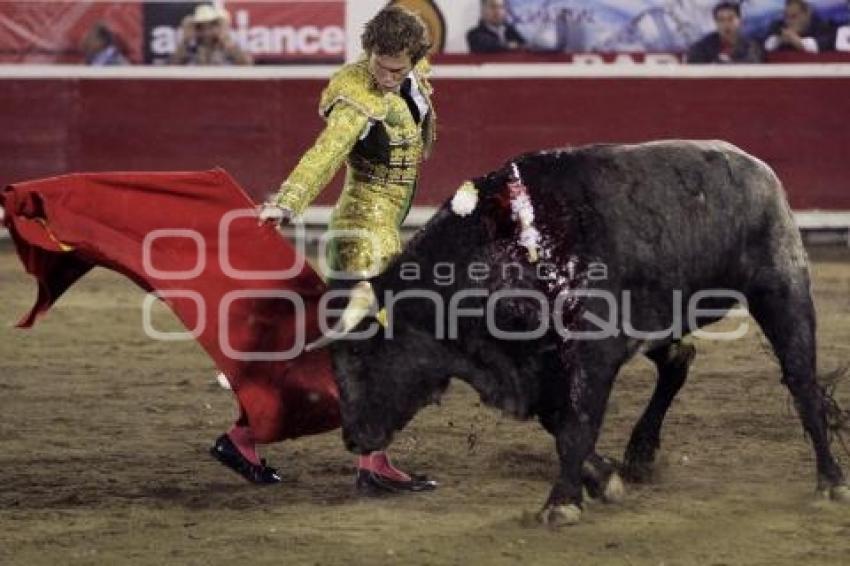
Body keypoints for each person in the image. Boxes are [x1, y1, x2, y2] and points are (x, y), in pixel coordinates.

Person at [213, 6, 438, 494]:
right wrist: (288, 202)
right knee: (365, 356)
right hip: (359, 239)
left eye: (397, 68)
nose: (385, 76)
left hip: (382, 236)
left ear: (414, 58)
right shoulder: (355, 94)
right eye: (379, 64)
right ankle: (357, 462)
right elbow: (327, 152)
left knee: (353, 355)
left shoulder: (414, 75)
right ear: (368, 52)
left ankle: (356, 460)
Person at [170, 4, 252, 66]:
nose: (206, 32)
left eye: (211, 26)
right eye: (201, 27)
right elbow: (172, 68)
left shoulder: (228, 46)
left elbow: (247, 65)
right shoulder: (190, 47)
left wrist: (226, 39)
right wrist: (185, 40)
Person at [687, 2, 763, 63]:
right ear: (716, 23)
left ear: (740, 21)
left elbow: (752, 67)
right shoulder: (703, 46)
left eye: (730, 19)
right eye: (721, 20)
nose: (726, 24)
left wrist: (730, 65)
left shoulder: (751, 46)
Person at [764, 0, 837, 53]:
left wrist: (798, 42)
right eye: (786, 17)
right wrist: (780, 39)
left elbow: (821, 45)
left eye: (794, 17)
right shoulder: (779, 26)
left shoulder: (823, 27)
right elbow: (766, 46)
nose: (789, 21)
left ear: (806, 14)